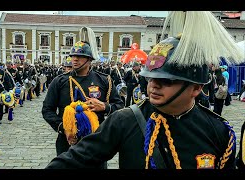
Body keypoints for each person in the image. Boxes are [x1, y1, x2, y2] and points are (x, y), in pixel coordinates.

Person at [45, 11, 244, 169]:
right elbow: (76, 158)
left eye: (167, 81)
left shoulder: (218, 131)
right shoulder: (125, 120)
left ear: (196, 88)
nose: (153, 85)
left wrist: (104, 106)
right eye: (150, 77)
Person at [42, 27, 124, 158]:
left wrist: (104, 106)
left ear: (89, 59)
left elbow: (120, 106)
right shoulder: (59, 81)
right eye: (73, 56)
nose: (75, 59)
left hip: (96, 141)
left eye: (80, 56)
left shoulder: (104, 80)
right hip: (67, 141)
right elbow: (47, 110)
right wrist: (65, 128)